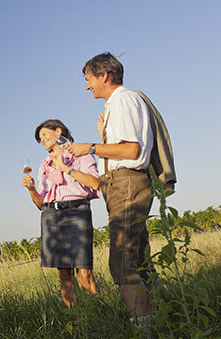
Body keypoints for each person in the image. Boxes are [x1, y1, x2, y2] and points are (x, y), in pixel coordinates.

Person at [68, 52, 155, 323]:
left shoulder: (123, 101)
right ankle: (162, 321)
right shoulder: (120, 104)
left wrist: (90, 147)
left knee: (123, 262)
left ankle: (145, 335)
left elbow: (130, 149)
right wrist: (103, 134)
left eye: (88, 79)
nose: (86, 86)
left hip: (127, 184)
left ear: (104, 75)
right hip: (124, 184)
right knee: (141, 261)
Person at [22, 119, 100, 308]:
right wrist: (32, 189)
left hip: (77, 211)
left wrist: (66, 168)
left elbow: (95, 183)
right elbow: (41, 204)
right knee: (63, 273)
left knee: (84, 271)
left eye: (45, 135)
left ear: (58, 131)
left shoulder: (79, 153)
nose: (42, 140)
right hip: (51, 215)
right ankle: (73, 315)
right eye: (40, 139)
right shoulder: (45, 165)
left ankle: (98, 313)